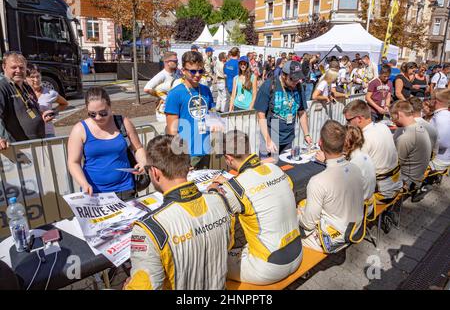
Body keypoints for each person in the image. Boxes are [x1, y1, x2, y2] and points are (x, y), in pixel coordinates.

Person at [124, 135, 233, 290]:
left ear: (154, 172)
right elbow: (229, 244)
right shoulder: (221, 201)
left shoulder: (148, 229)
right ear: (188, 166)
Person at [208, 130, 302, 285]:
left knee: (212, 263)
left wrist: (214, 188)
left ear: (229, 158)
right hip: (297, 253)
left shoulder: (236, 188)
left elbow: (218, 215)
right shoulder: (275, 169)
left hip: (268, 267)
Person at [67, 87, 147, 199]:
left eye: (103, 113)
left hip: (125, 188)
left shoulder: (123, 122)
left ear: (110, 107)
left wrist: (143, 162)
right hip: (94, 192)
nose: (98, 118)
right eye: (92, 114)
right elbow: (73, 162)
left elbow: (138, 148)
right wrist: (84, 183)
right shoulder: (80, 129)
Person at [298, 120, 365, 253]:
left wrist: (295, 216)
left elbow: (308, 224)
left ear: (320, 143)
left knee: (289, 224)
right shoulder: (356, 168)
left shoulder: (317, 181)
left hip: (332, 239)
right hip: (356, 228)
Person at [343, 100, 403, 201]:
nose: (347, 123)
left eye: (348, 120)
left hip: (382, 189)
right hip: (395, 181)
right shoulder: (382, 126)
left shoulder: (363, 139)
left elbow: (352, 169)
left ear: (359, 119)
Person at [165, 51, 215, 170]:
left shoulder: (205, 90)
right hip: (187, 154)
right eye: (192, 71)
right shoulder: (175, 94)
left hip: (205, 149)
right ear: (183, 71)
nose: (197, 74)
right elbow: (172, 130)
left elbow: (212, 114)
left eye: (200, 71)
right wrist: (181, 158)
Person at [254, 60, 312, 155]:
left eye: (298, 79)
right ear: (284, 75)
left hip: (288, 138)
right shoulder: (269, 85)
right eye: (293, 79)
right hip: (271, 136)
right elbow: (261, 115)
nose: (296, 81)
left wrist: (307, 134)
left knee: (285, 168)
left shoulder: (299, 87)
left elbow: (301, 112)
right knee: (269, 167)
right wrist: (268, 140)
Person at [0, 52, 51, 150]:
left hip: (37, 143)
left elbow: (31, 108)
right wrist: (1, 137)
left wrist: (42, 115)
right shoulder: (2, 87)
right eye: (14, 67)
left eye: (21, 67)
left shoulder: (26, 86)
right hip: (18, 148)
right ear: (4, 67)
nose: (18, 71)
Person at [391, 101, 432, 196]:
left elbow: (394, 165)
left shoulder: (405, 137)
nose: (392, 120)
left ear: (398, 114)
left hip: (408, 180)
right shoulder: (420, 126)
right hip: (417, 174)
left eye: (392, 117)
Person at [26, 64, 68, 138]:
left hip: (47, 132)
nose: (36, 80)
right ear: (25, 78)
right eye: (32, 77)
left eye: (38, 76)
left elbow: (64, 103)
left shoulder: (50, 93)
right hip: (29, 133)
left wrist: (53, 112)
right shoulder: (22, 94)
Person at [428, 89, 450, 172]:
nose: (429, 100)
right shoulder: (444, 114)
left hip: (439, 161)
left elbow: (443, 143)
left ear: (435, 101)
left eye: (430, 98)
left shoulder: (440, 118)